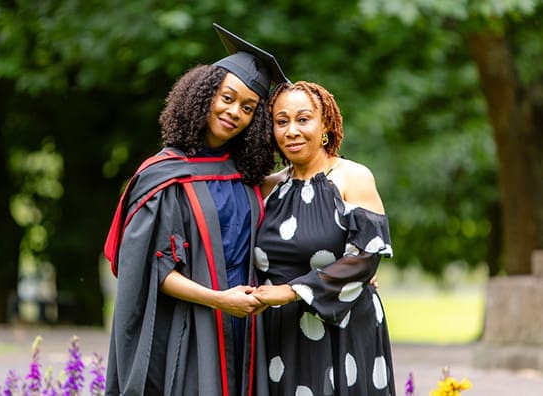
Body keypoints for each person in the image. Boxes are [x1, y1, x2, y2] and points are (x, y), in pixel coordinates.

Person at [103, 24, 288, 396]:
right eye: (227, 98)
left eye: (248, 107)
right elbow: (151, 271)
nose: (234, 112)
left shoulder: (244, 176)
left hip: (247, 328)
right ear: (204, 95)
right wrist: (220, 300)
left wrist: (345, 269)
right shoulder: (164, 177)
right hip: (190, 329)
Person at [252, 81, 396, 395]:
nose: (291, 131)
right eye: (281, 121)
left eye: (303, 119)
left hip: (341, 327)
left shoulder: (351, 177)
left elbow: (365, 258)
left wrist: (291, 291)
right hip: (281, 334)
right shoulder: (267, 188)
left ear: (325, 125)